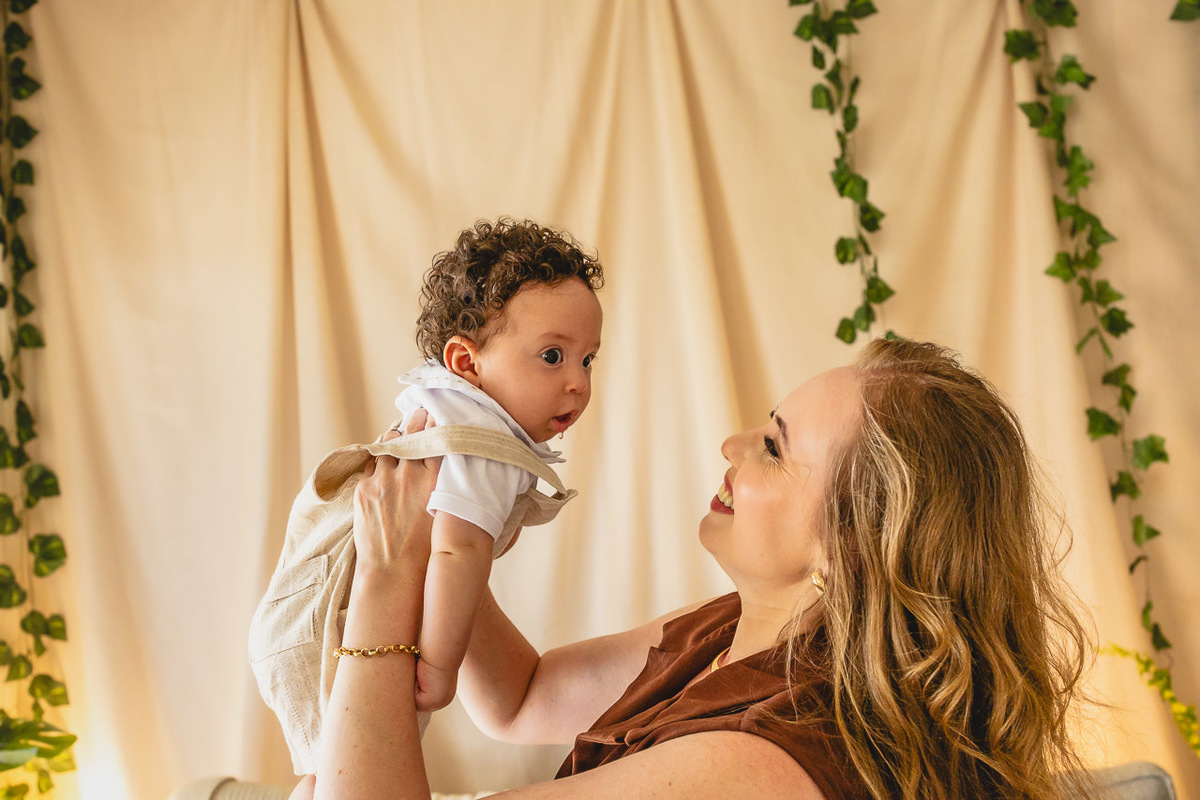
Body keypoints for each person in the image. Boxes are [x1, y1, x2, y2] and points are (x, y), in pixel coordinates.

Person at [299, 338, 1096, 800]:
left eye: (774, 448)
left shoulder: (758, 762)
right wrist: (452, 521)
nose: (733, 446)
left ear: (850, 547)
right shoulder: (727, 634)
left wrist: (386, 580)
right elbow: (520, 698)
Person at [250, 218, 604, 776]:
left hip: (298, 611)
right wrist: (439, 667)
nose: (578, 383)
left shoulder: (444, 402)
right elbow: (458, 551)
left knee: (325, 772)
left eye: (588, 359)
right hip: (342, 623)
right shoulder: (485, 442)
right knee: (354, 766)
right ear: (467, 362)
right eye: (553, 356)